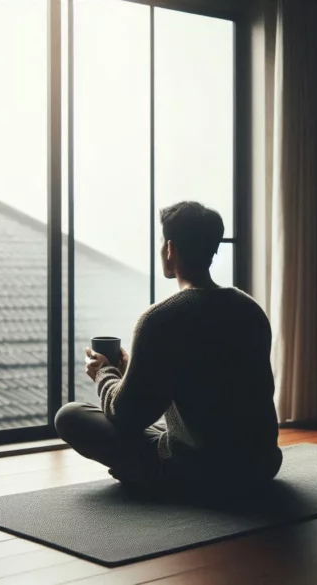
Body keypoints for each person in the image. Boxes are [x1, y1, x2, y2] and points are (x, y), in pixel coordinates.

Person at [54, 201, 282, 490]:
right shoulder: (249, 309)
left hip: (202, 469)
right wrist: (131, 372)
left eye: (163, 242)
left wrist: (103, 373)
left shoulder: (161, 318)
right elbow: (213, 392)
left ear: (170, 248)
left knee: (71, 416)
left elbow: (127, 414)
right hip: (261, 465)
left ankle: (158, 476)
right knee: (174, 429)